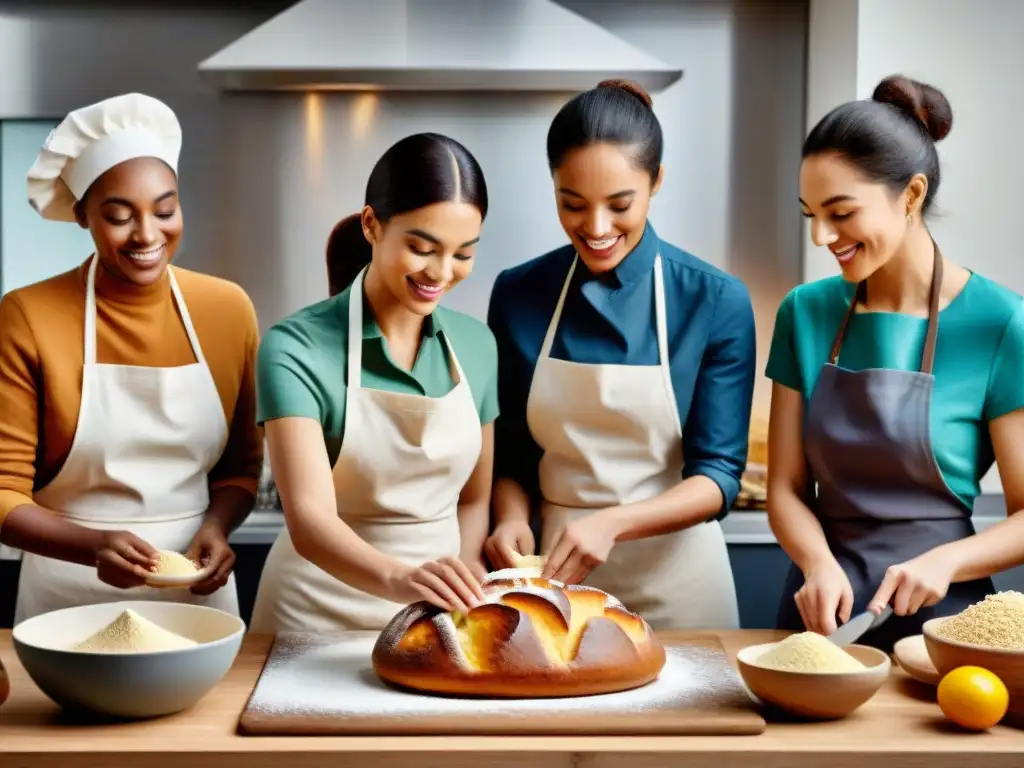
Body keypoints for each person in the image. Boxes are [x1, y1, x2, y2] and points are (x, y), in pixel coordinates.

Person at [484, 80, 757, 630]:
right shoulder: (518, 294)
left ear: (656, 181)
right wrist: (510, 517)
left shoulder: (714, 299)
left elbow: (719, 475)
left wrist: (611, 523)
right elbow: (510, 454)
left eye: (620, 204)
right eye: (573, 204)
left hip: (681, 585)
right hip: (555, 584)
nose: (597, 228)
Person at [767, 75, 1024, 650]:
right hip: (819, 617)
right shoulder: (803, 313)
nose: (821, 236)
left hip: (945, 623)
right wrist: (815, 563)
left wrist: (946, 561)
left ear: (910, 195)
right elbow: (784, 488)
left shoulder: (1001, 323)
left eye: (840, 212)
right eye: (810, 213)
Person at [0, 93, 263, 624]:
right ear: (81, 216)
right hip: (66, 598)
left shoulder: (227, 309)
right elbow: (3, 493)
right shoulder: (28, 314)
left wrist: (216, 528)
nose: (147, 235)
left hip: (195, 595)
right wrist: (91, 546)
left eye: (165, 211)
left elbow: (241, 469)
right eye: (119, 216)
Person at [249, 132, 499, 633]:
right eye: (422, 248)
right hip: (310, 614)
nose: (441, 272)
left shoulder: (477, 346)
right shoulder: (294, 348)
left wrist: (467, 566)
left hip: (434, 618)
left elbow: (473, 499)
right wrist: (401, 580)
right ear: (372, 225)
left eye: (463, 254)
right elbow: (309, 522)